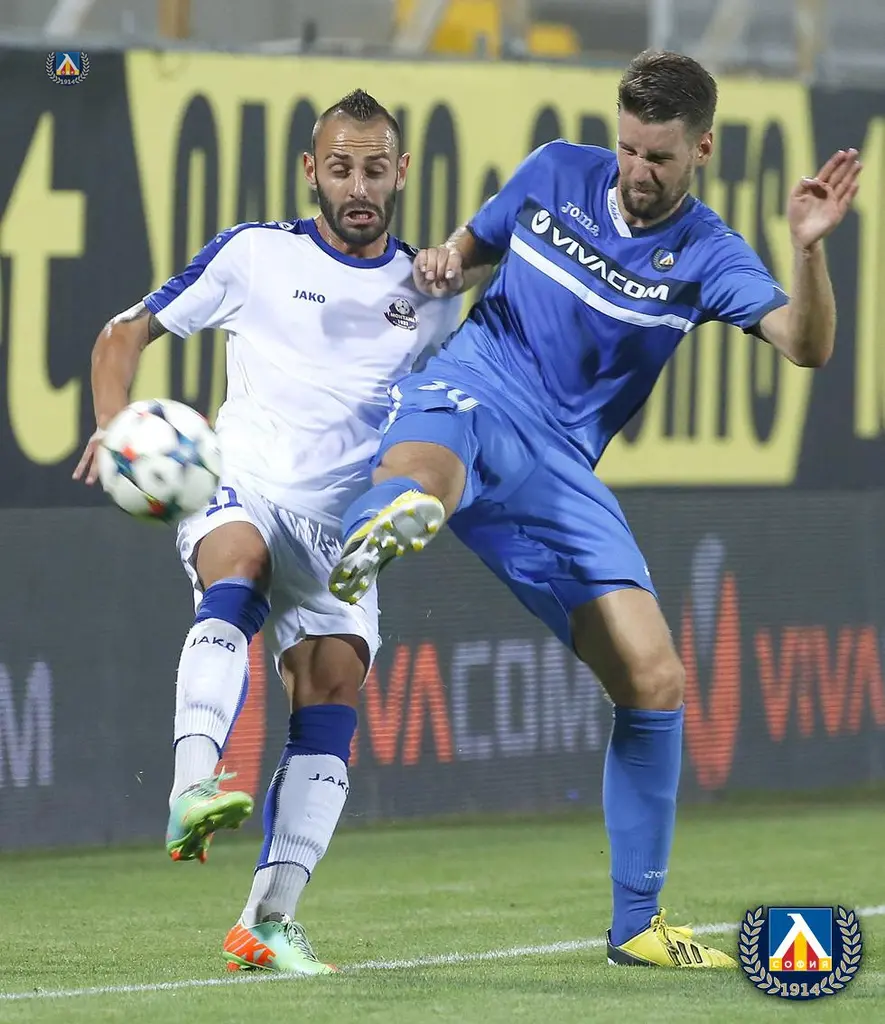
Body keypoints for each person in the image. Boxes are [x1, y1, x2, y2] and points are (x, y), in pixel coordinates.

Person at [329, 51, 862, 968]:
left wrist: (807, 249)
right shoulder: (553, 172)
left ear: (701, 149)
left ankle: (636, 927)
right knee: (429, 467)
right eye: (627, 149)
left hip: (560, 470)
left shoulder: (708, 253)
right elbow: (473, 245)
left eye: (658, 157)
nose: (636, 171)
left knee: (653, 678)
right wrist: (448, 258)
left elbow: (805, 346)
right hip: (475, 386)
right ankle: (376, 529)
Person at [73, 89, 460, 975]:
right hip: (240, 482)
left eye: (374, 169)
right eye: (340, 168)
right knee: (237, 568)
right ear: (310, 170)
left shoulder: (429, 292)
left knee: (332, 693)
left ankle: (267, 921)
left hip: (338, 535)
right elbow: (121, 335)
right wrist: (113, 425)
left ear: (401, 172)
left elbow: (448, 416)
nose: (357, 186)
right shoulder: (254, 253)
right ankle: (191, 786)